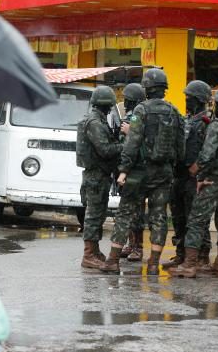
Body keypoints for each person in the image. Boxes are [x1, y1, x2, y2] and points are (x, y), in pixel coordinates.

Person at [100, 68, 184, 275]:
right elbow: (180, 145)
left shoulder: (141, 111)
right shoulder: (174, 111)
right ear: (164, 89)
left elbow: (132, 142)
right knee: (158, 217)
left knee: (125, 214)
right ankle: (154, 263)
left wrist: (123, 170)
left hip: (138, 173)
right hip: (163, 173)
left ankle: (112, 261)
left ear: (146, 88)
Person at [169, 87, 218, 278]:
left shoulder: (217, 126)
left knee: (196, 220)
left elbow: (207, 154)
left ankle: (189, 265)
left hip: (214, 179)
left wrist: (195, 173)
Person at [162, 80, 213, 269]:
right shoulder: (188, 119)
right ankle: (181, 253)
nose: (186, 100)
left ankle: (202, 256)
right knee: (178, 216)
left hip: (195, 178)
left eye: (189, 97)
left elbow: (210, 150)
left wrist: (199, 168)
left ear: (199, 100)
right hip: (179, 175)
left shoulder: (208, 122)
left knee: (197, 218)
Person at [76, 86, 123, 269]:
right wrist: (123, 144)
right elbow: (105, 150)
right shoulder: (95, 123)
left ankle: (94, 251)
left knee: (98, 214)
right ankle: (88, 255)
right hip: (95, 175)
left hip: (98, 175)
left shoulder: (97, 120)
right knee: (93, 216)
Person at [118, 83, 147, 262]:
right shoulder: (129, 116)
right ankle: (130, 244)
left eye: (127, 99)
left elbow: (140, 143)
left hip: (137, 169)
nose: (125, 102)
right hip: (126, 168)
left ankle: (138, 247)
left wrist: (130, 132)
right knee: (128, 209)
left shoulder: (140, 116)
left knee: (137, 211)